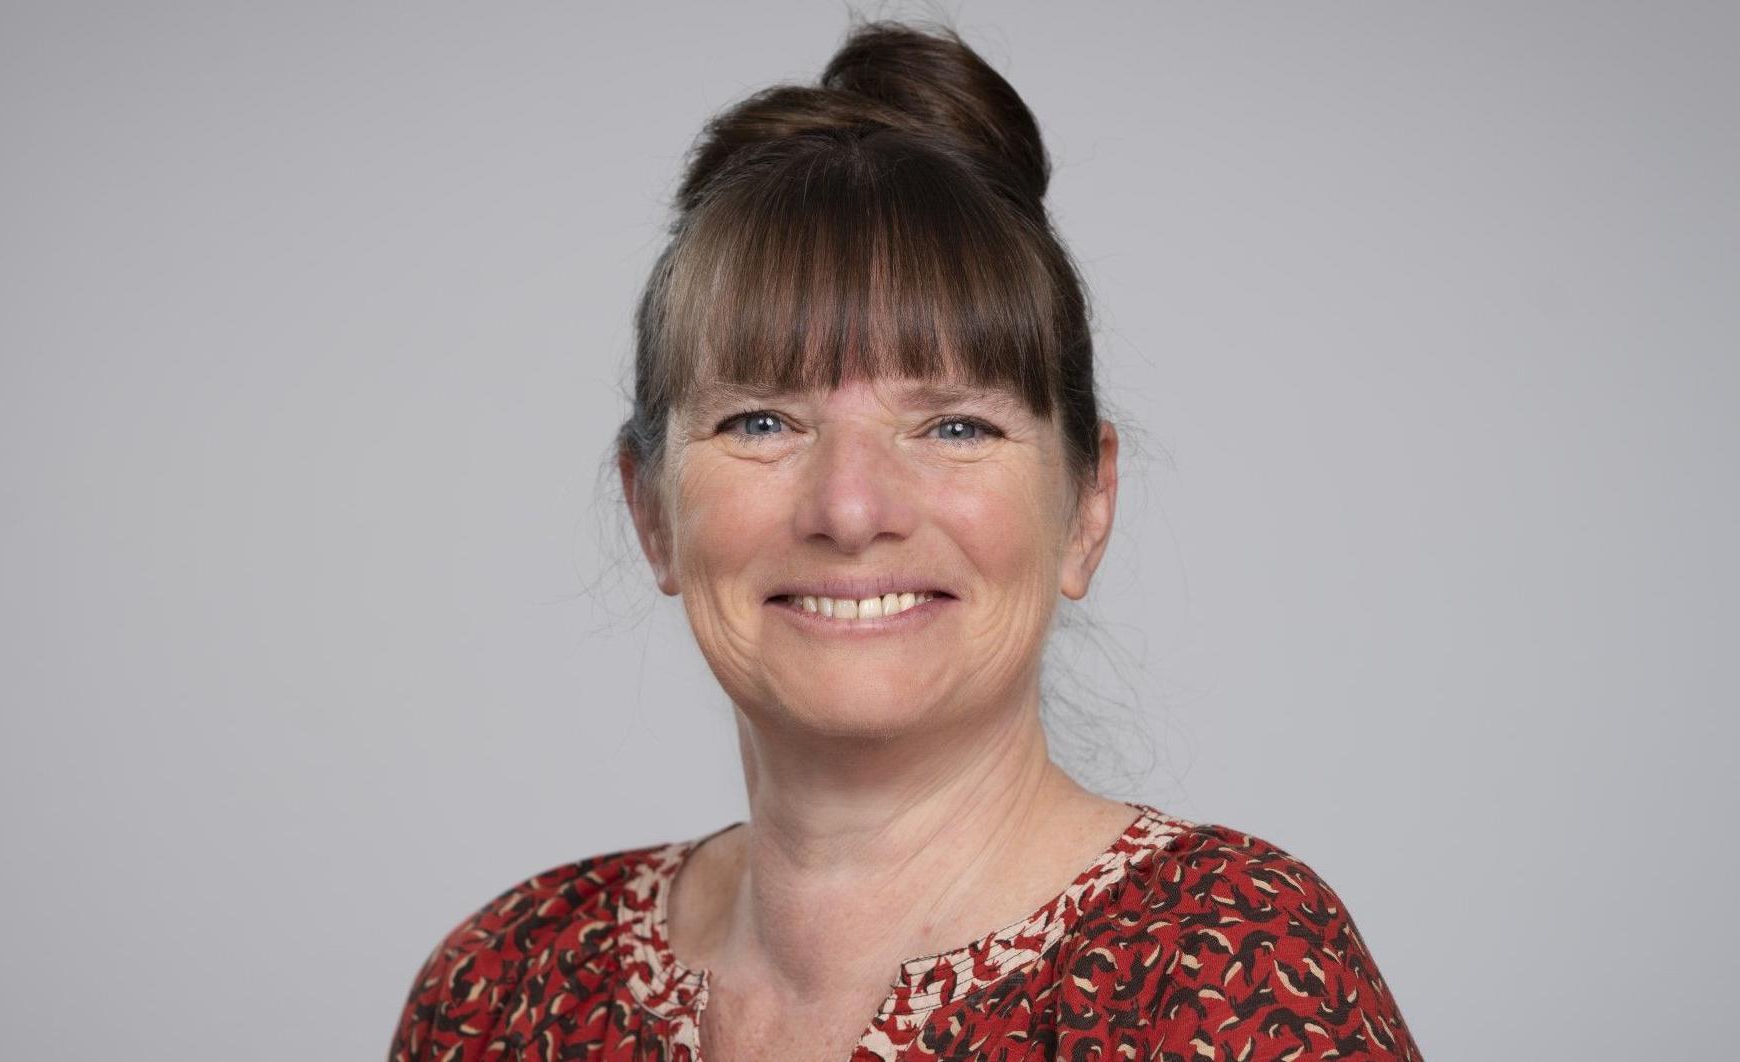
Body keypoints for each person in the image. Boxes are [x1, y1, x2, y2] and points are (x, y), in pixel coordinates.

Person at [389, 18, 1423, 1062]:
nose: (849, 508)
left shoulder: (1224, 970)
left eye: (955, 426)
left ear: (1088, 505)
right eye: (762, 422)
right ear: (650, 510)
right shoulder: (501, 989)